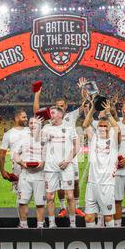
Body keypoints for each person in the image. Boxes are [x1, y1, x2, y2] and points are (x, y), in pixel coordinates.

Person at [34, 80, 86, 217]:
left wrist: (83, 91)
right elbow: (36, 113)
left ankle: (76, 207)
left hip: (71, 153)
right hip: (56, 155)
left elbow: (85, 105)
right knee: (58, 183)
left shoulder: (71, 116)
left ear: (66, 106)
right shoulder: (51, 119)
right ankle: (63, 207)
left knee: (74, 182)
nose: (60, 108)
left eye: (62, 106)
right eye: (57, 106)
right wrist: (37, 95)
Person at [83, 100, 120, 228]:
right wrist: (93, 108)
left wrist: (109, 114)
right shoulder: (93, 138)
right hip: (92, 184)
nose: (103, 128)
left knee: (108, 216)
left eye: (105, 126)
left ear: (109, 128)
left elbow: (117, 128)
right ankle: (92, 243)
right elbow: (85, 124)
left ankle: (111, 241)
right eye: (101, 126)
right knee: (88, 217)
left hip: (107, 184)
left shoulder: (113, 140)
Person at [41, 107, 79, 228]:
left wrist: (68, 161)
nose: (50, 115)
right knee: (49, 196)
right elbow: (40, 141)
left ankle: (72, 224)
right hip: (50, 168)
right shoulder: (46, 128)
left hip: (66, 167)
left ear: (60, 115)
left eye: (52, 113)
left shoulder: (69, 127)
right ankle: (52, 224)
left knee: (70, 196)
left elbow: (77, 146)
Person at [13, 117, 46, 229]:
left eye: (35, 123)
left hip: (40, 175)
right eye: (31, 123)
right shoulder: (23, 139)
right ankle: (23, 225)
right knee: (22, 202)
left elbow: (50, 155)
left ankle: (40, 226)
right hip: (25, 175)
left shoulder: (44, 139)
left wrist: (43, 162)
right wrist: (21, 162)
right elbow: (15, 154)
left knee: (40, 203)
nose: (33, 125)